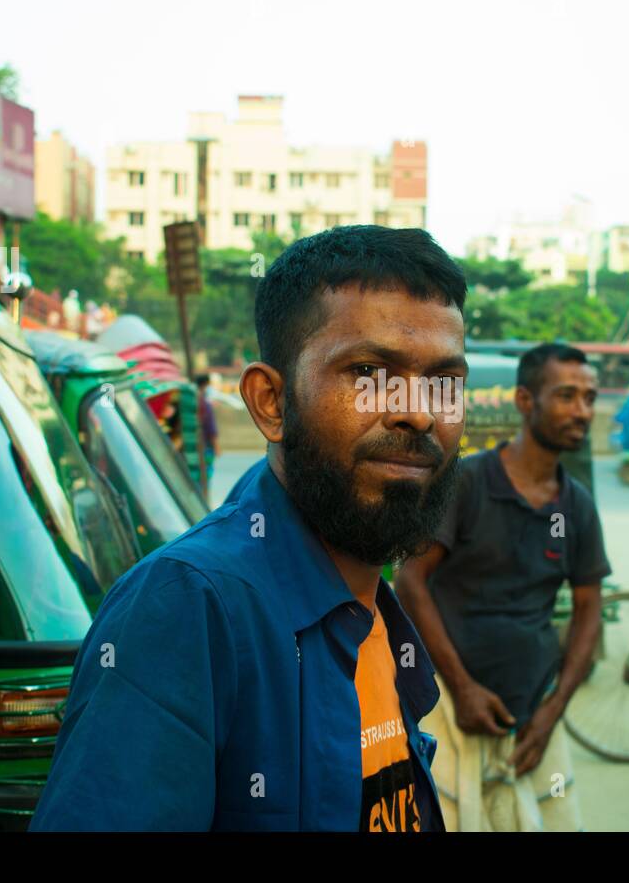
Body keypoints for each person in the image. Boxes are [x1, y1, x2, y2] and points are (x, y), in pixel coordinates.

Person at [31, 225, 469, 831]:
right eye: (369, 372)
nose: (418, 411)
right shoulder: (190, 607)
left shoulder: (368, 601)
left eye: (444, 381)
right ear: (269, 402)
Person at [395, 343, 611, 831]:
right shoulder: (468, 482)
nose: (582, 411)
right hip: (450, 708)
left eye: (589, 398)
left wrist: (554, 709)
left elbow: (588, 609)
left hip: (533, 714)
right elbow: (410, 580)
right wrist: (463, 687)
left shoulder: (575, 505)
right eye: (567, 396)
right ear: (524, 400)